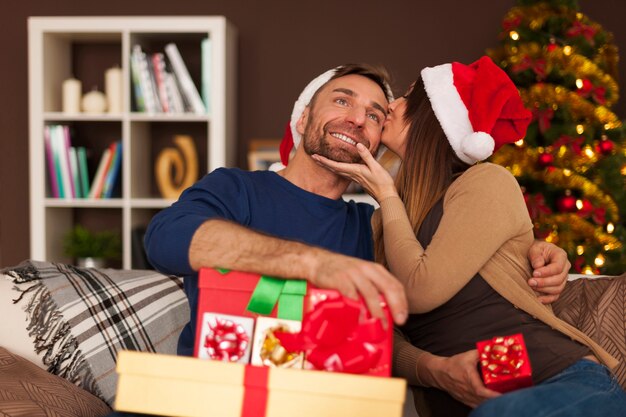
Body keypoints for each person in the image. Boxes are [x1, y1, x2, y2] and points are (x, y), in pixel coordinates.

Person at [312, 56, 625, 417]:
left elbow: (420, 290)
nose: (392, 105)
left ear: (433, 115)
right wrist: (434, 370)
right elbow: (380, 334)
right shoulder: (385, 222)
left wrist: (386, 194)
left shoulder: (485, 182)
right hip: (476, 400)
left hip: (562, 381)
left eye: (408, 96)